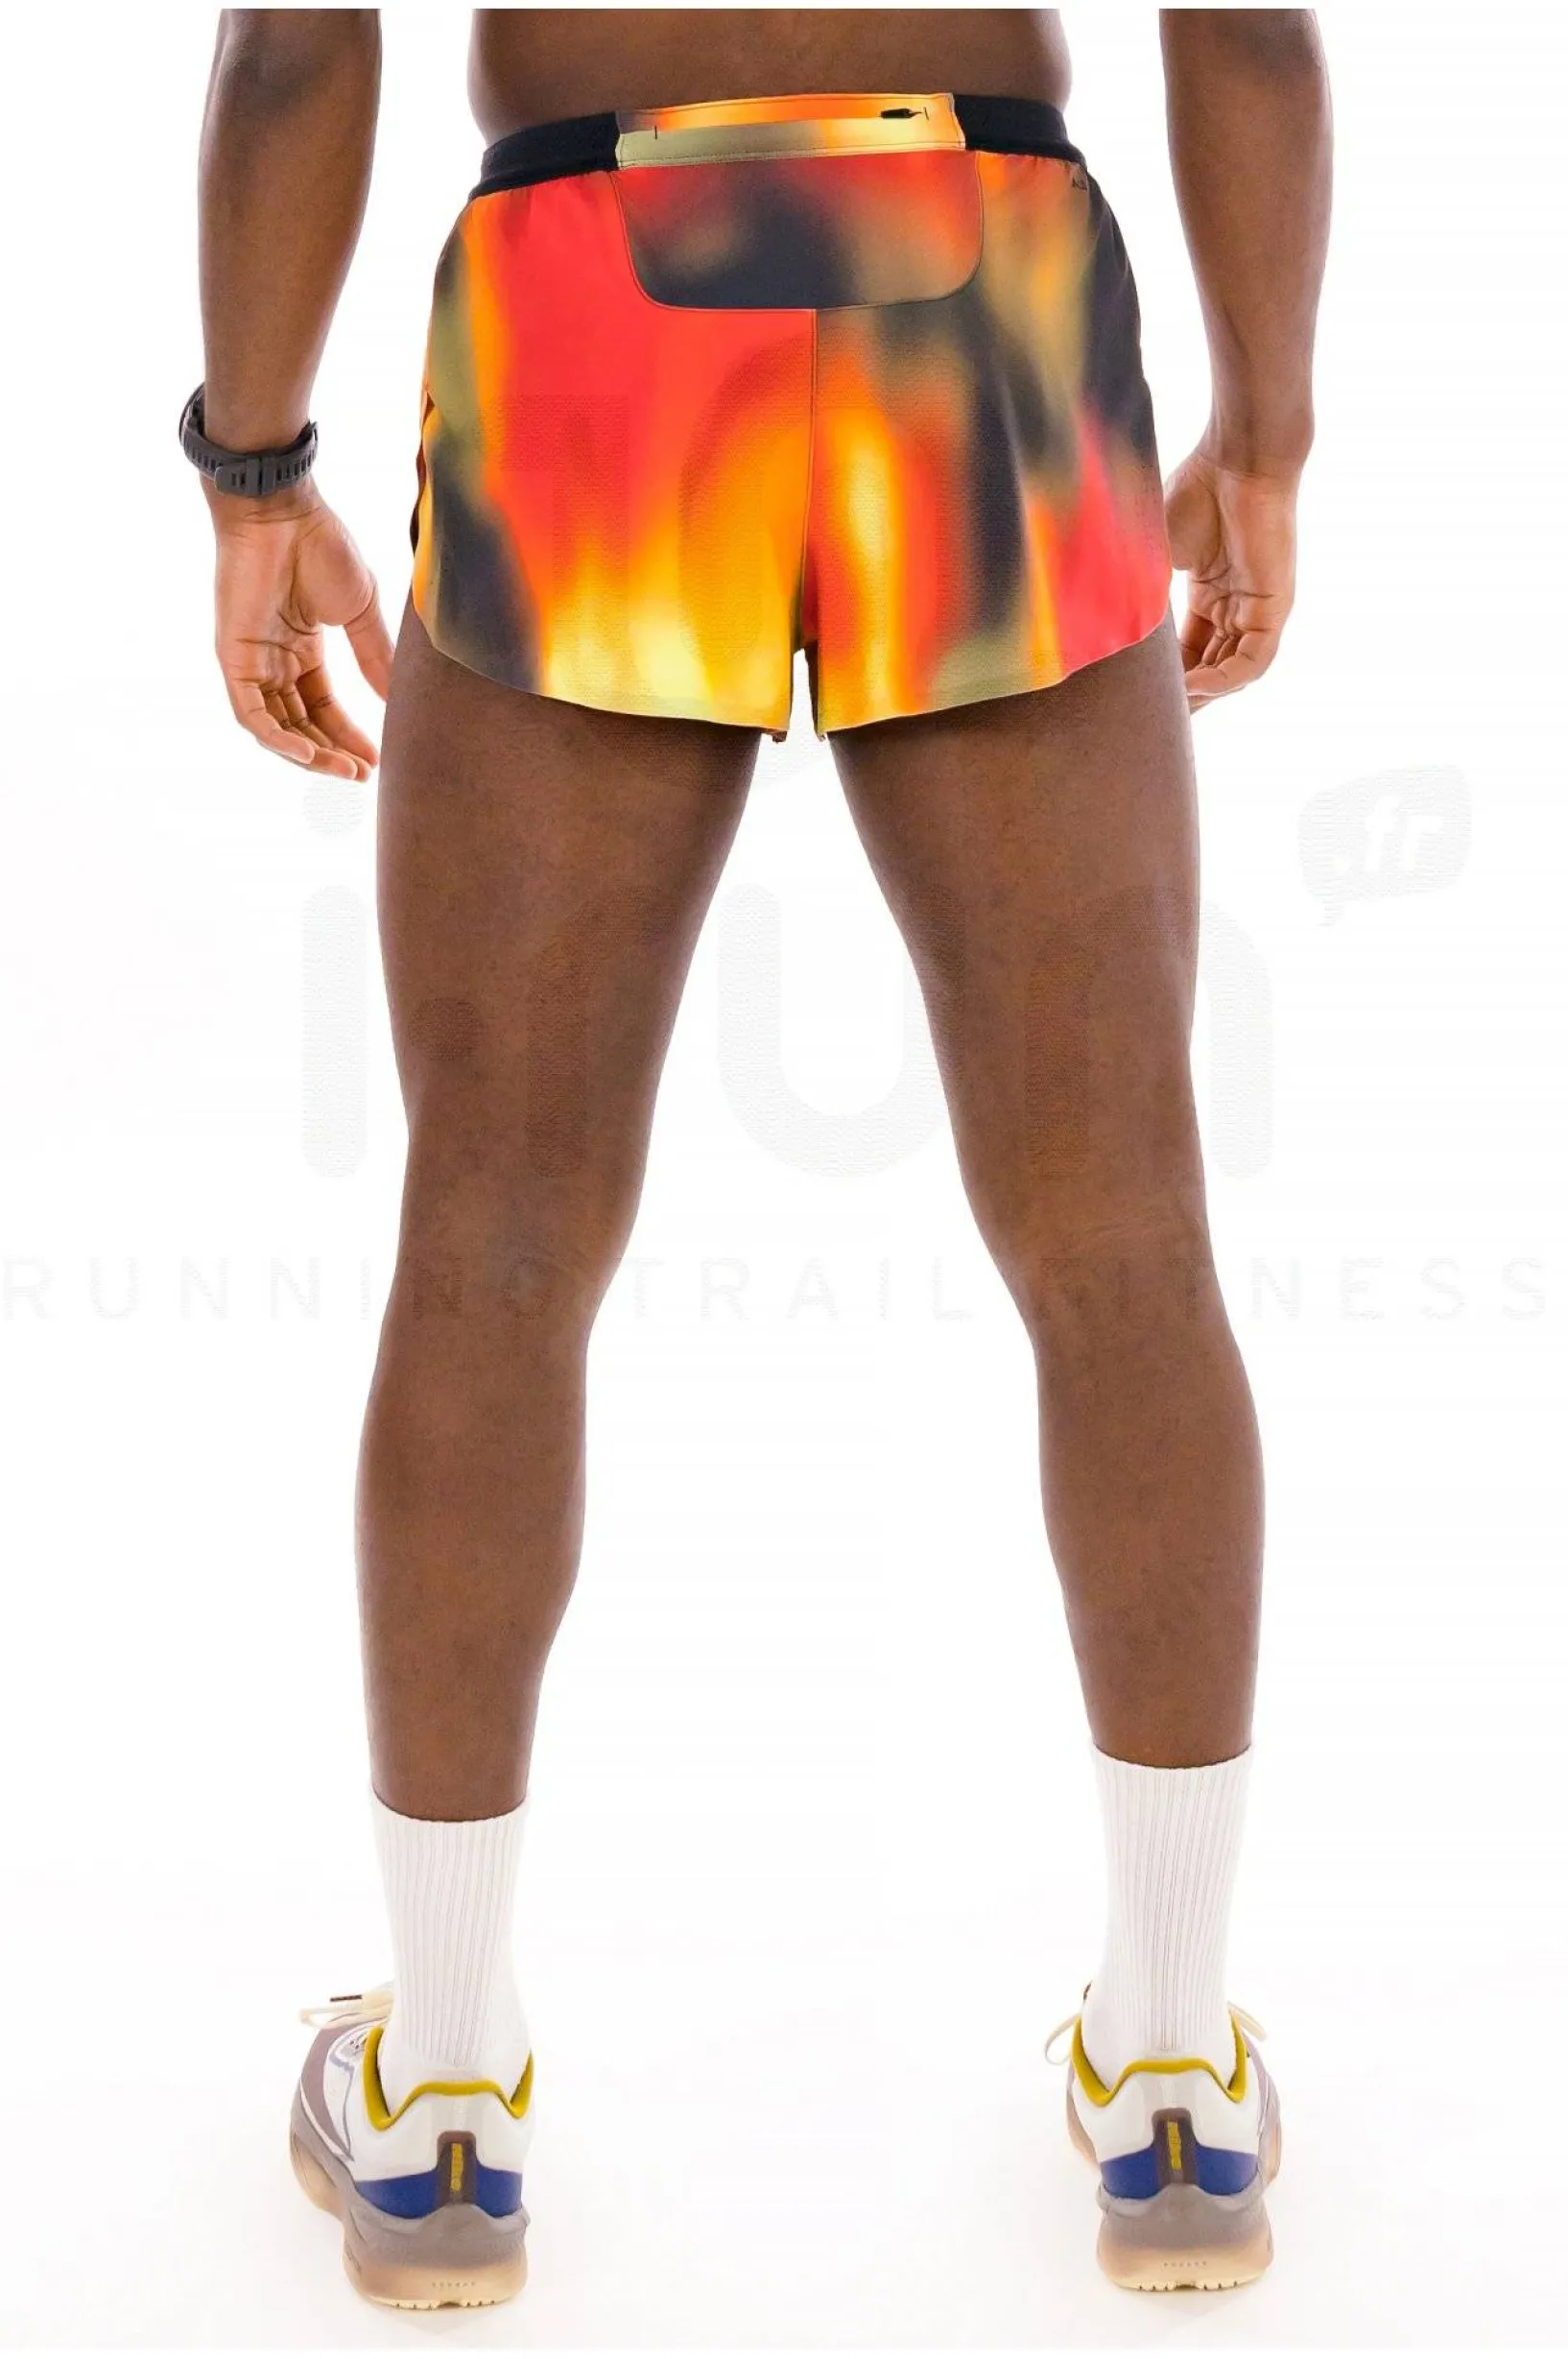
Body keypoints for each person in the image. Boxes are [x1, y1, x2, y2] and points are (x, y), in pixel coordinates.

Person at [189, 7, 1330, 2309]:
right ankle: (1173, 2063)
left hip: (599, 274)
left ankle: (438, 2095)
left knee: (497, 1229)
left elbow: (297, 43)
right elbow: (1248, 22)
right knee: (1117, 1221)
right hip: (978, 273)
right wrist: (1267, 431)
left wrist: (251, 468)